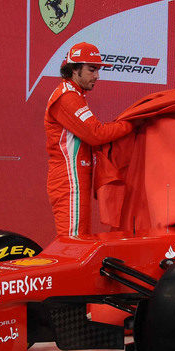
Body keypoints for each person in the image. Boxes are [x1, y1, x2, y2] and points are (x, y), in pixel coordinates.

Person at [45, 42, 133, 237]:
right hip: (69, 178)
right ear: (75, 69)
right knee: (73, 243)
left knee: (79, 239)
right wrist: (131, 124)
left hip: (75, 177)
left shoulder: (75, 95)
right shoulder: (67, 96)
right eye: (92, 69)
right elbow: (96, 134)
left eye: (98, 70)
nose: (97, 76)